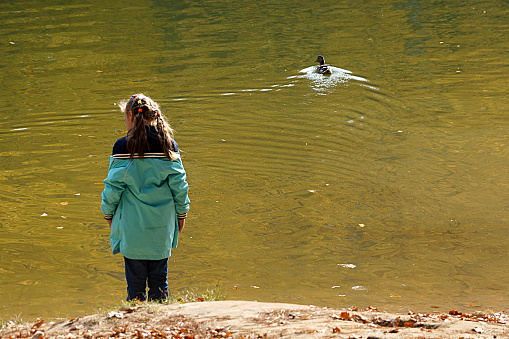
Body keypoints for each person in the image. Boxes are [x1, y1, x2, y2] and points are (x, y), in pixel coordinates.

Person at [101, 93, 190, 301]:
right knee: (160, 282)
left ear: (130, 115)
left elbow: (113, 188)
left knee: (135, 286)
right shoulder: (168, 145)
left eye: (125, 118)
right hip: (162, 228)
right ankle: (160, 319)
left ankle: (137, 319)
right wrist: (181, 214)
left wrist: (108, 214)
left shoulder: (123, 148)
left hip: (132, 231)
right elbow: (180, 187)